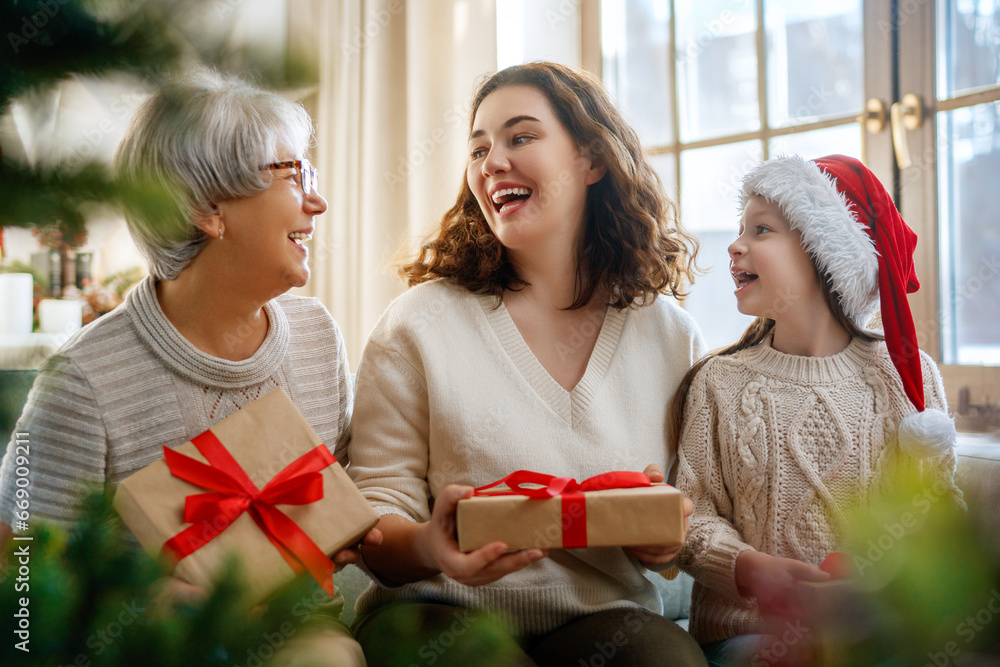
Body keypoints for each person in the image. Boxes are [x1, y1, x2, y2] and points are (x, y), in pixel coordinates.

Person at [0, 70, 379, 666]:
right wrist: (143, 598)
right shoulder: (82, 378)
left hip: (296, 629)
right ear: (208, 209)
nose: (317, 201)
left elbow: (353, 500)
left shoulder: (316, 337)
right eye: (293, 174)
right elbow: (20, 574)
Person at [345, 62, 709, 666]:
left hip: (605, 618)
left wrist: (664, 541)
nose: (492, 163)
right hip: (438, 610)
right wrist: (432, 546)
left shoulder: (669, 333)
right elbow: (374, 521)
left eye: (521, 137)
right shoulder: (418, 323)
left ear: (592, 160)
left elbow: (691, 518)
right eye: (479, 148)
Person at [671, 154, 965, 666]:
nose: (735, 245)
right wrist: (750, 568)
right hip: (748, 635)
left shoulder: (907, 378)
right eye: (741, 229)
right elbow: (691, 519)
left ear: (826, 254)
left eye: (761, 230)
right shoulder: (721, 382)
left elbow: (938, 517)